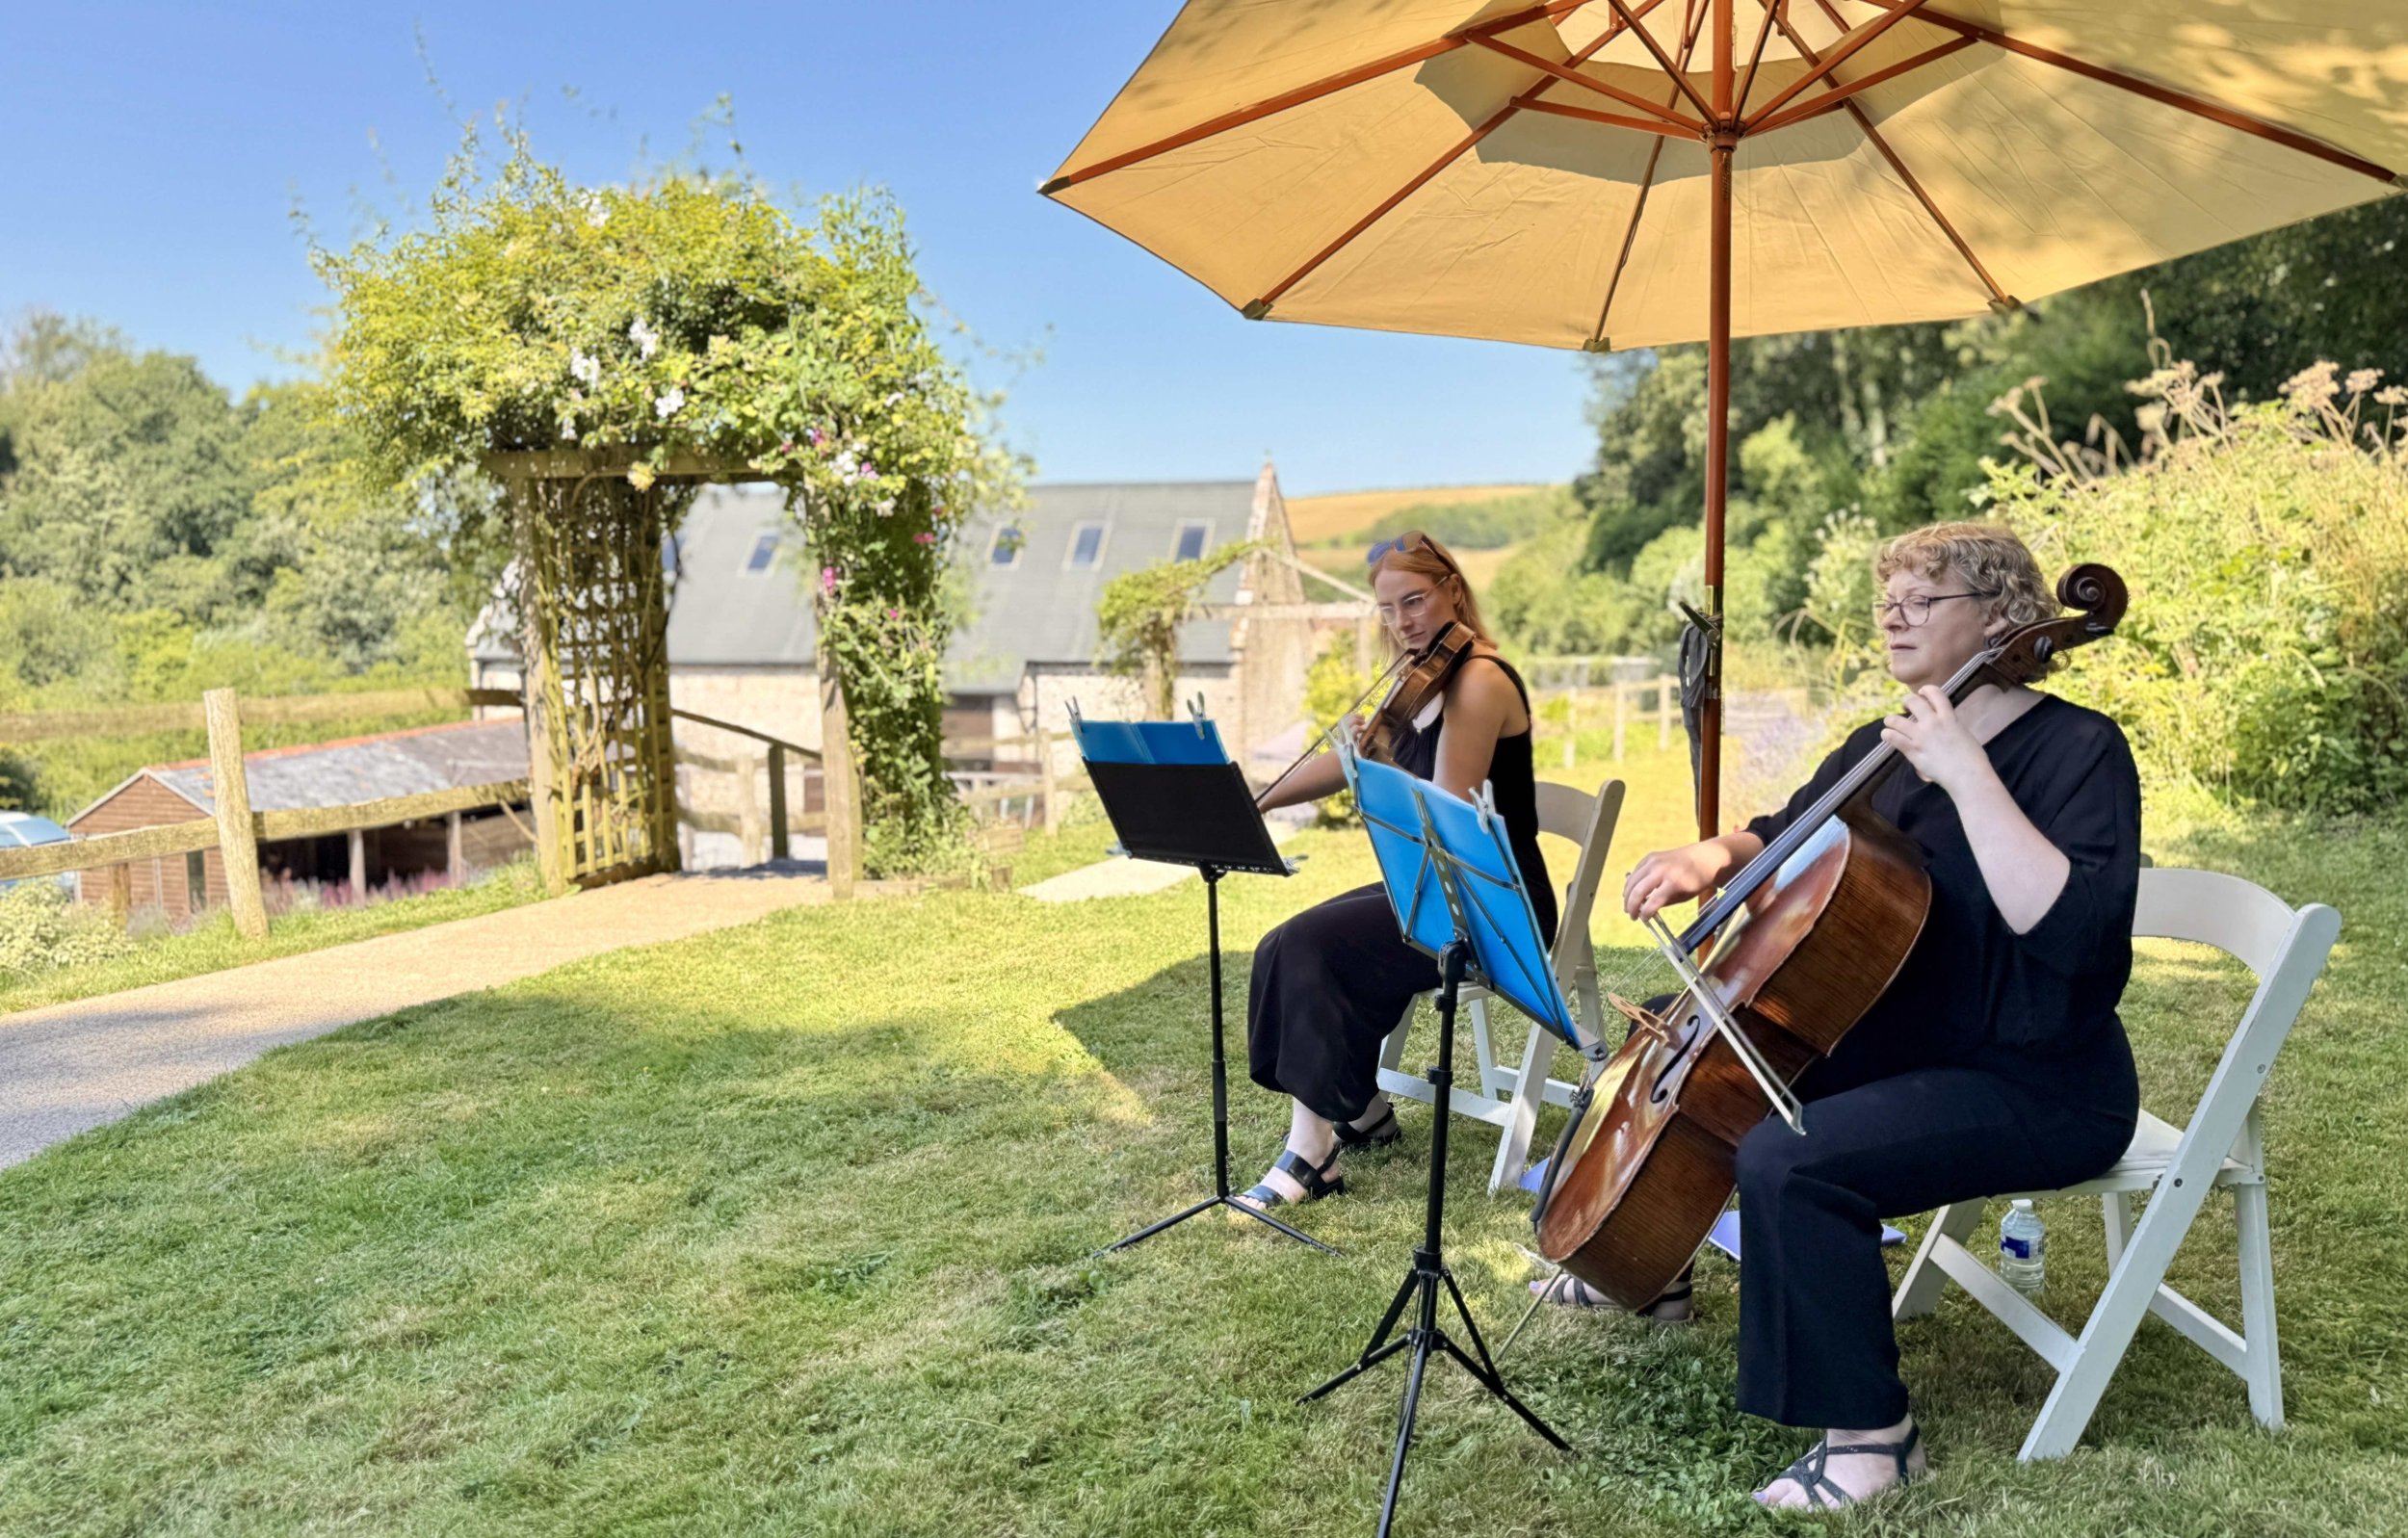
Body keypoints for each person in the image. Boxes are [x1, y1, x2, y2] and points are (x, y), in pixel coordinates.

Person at [1595, 522, 2141, 1508]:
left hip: (2041, 1077)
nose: (1891, 613)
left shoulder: (2078, 750)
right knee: (1715, 1076)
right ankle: (1649, 1263)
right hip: (1907, 1040)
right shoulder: (1882, 744)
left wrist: (1962, 768)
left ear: (2005, 617)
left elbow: (2074, 940)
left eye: (1921, 598)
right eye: (1885, 595)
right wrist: (1710, 858)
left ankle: (1875, 1443)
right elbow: (1784, 830)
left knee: (1792, 1157)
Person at [1239, 533, 1556, 1211]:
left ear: (1452, 590)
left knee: (1313, 945)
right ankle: (1364, 1108)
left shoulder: (1478, 680)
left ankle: (1314, 1153)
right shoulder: (1421, 676)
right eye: (1388, 609)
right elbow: (1355, 767)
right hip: (1435, 884)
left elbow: (1436, 815)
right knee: (1284, 939)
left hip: (1493, 902)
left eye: (1415, 600)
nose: (1403, 620)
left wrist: (1374, 770)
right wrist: (1259, 798)